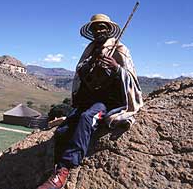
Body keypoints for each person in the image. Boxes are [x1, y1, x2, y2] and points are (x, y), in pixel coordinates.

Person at [37, 14, 144, 189]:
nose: (99, 31)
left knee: (88, 118)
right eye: (95, 28)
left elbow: (130, 77)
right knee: (63, 130)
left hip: (107, 100)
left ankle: (65, 170)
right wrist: (89, 66)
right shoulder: (90, 50)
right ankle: (56, 170)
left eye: (102, 27)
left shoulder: (120, 49)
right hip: (89, 98)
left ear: (109, 29)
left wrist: (115, 68)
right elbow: (80, 71)